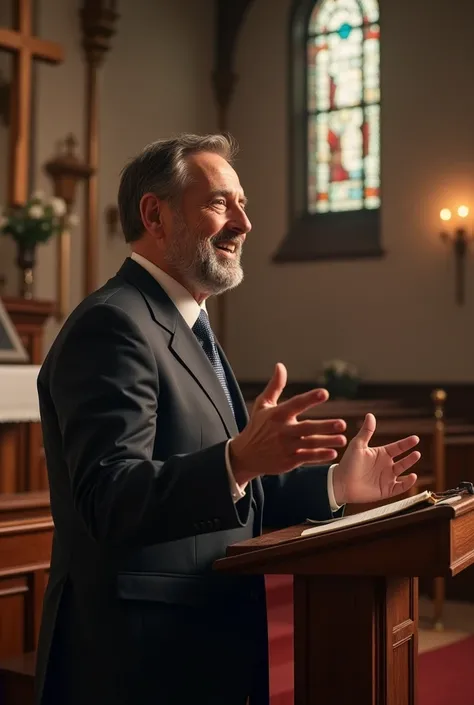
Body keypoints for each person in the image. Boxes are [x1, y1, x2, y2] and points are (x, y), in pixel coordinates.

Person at [35, 133, 421, 705]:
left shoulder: (186, 327)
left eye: (242, 203)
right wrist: (236, 459)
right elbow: (109, 498)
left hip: (199, 643)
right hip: (134, 661)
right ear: (154, 214)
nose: (243, 222)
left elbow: (227, 497)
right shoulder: (114, 324)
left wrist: (337, 484)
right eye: (220, 203)